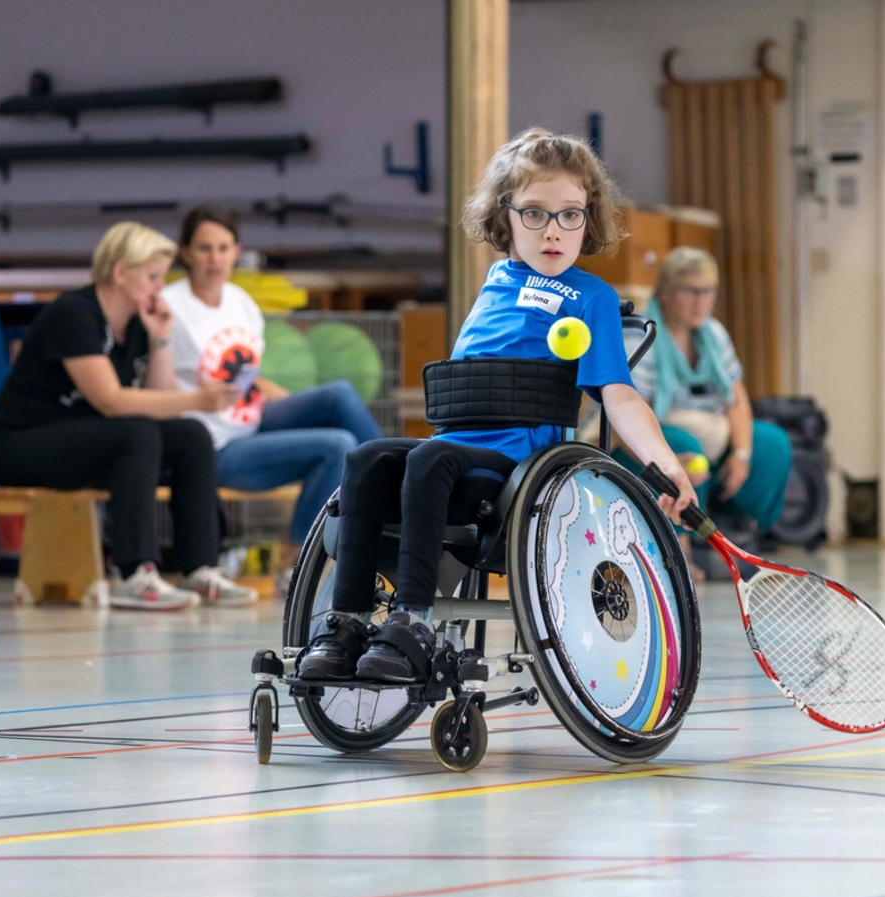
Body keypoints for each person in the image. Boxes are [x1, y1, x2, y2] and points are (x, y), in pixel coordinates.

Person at [297, 128, 697, 684]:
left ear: (589, 219)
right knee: (366, 458)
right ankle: (345, 624)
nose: (553, 230)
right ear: (504, 217)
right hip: (453, 447)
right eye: (534, 213)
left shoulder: (592, 298)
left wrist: (666, 461)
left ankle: (413, 622)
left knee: (428, 460)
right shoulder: (496, 280)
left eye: (570, 215)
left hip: (514, 467)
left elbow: (620, 394)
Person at [0, 221, 257, 610]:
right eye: (152, 276)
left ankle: (200, 568)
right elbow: (110, 401)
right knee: (137, 433)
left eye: (162, 277)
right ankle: (134, 573)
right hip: (20, 442)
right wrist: (196, 398)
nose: (159, 287)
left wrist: (160, 338)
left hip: (85, 438)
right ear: (119, 272)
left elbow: (159, 400)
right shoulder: (74, 313)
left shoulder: (138, 322)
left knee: (190, 435)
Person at [160, 205, 382, 593]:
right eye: (204, 248)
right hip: (214, 445)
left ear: (236, 251)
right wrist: (196, 398)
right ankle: (296, 564)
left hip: (252, 416)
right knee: (337, 446)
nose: (215, 259)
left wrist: (297, 405)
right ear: (186, 253)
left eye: (223, 248)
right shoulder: (169, 306)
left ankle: (394, 485)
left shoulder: (240, 302)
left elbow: (248, 378)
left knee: (339, 394)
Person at [616, 246, 791, 579]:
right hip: (650, 438)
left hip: (710, 431)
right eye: (690, 291)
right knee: (687, 447)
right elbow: (628, 413)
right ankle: (678, 546)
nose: (700, 301)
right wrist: (666, 460)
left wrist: (741, 455)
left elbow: (736, 400)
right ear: (666, 293)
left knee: (771, 443)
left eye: (708, 291)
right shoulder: (641, 336)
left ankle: (748, 535)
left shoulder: (713, 333)